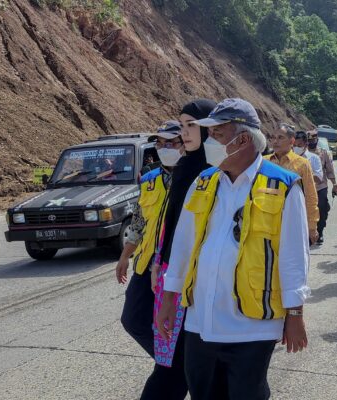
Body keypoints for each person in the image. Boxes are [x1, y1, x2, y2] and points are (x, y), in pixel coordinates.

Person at [156, 98, 309, 400]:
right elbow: (184, 244)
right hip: (201, 321)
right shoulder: (203, 181)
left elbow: (293, 256)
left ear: (242, 140)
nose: (209, 142)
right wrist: (170, 297)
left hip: (252, 326)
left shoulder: (283, 185)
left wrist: (295, 313)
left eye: (217, 135)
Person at [118, 101, 214, 400]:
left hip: (202, 275)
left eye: (190, 126)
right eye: (181, 126)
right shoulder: (176, 171)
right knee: (142, 327)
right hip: (163, 268)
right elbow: (157, 223)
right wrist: (151, 260)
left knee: (183, 363)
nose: (184, 135)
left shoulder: (215, 170)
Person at [115, 121, 183, 396]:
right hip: (146, 263)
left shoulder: (196, 178)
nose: (165, 148)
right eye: (161, 143)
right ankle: (172, 362)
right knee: (133, 319)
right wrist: (124, 256)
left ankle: (173, 366)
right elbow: (139, 221)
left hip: (174, 266)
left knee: (173, 325)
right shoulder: (150, 178)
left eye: (172, 142)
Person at [265, 123, 320, 245]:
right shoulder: (264, 162)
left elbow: (311, 196)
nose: (275, 141)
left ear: (292, 141)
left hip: (292, 220)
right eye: (273, 138)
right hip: (265, 220)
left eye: (280, 137)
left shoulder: (302, 164)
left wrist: (312, 226)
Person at [307, 130, 337, 244]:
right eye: (309, 140)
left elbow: (329, 170)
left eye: (313, 140)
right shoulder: (302, 154)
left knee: (322, 208)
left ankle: (320, 231)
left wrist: (335, 184)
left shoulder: (323, 153)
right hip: (306, 187)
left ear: (317, 140)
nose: (311, 142)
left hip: (321, 186)